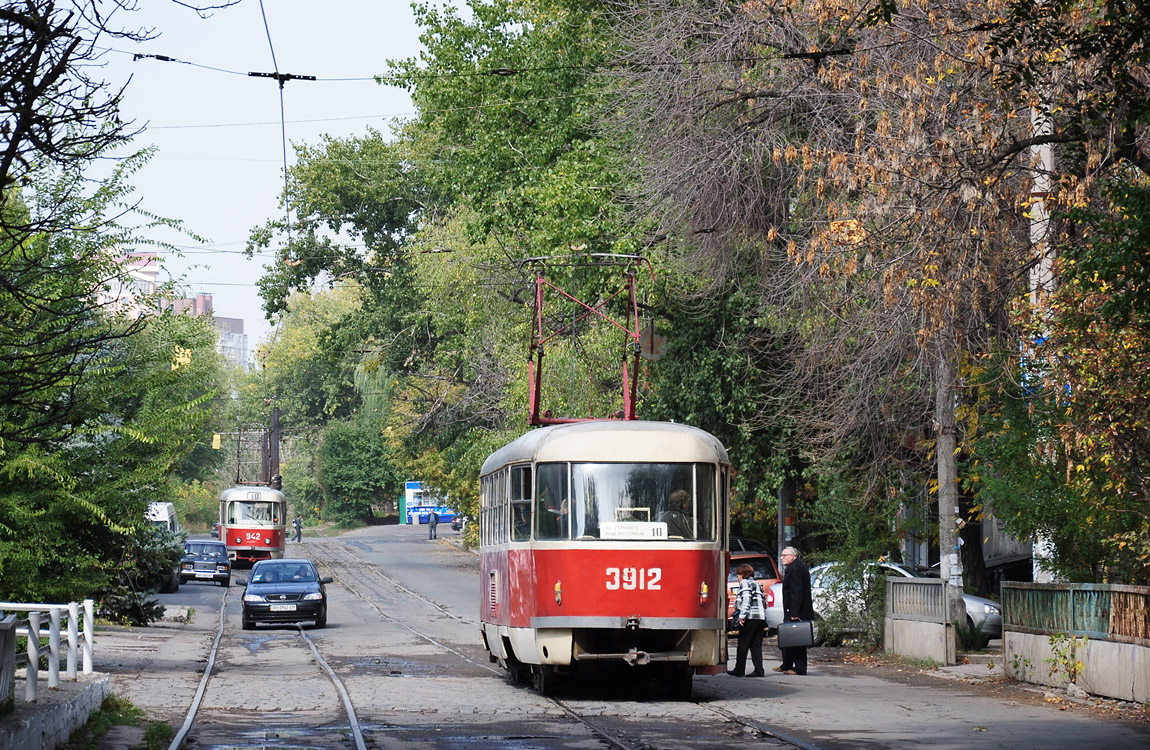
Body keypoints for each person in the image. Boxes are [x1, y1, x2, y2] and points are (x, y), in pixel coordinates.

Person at [776, 546, 814, 676]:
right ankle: (786, 664)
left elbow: (797, 592)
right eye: (781, 555)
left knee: (797, 639)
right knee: (788, 636)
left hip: (797, 611)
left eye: (784, 555)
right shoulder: (793, 567)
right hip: (792, 609)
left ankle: (799, 668)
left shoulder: (796, 568)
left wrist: (795, 613)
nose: (782, 558)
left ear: (792, 556)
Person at [728, 562, 768, 677]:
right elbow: (763, 602)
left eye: (738, 575)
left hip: (750, 617)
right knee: (756, 645)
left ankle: (739, 670)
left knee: (743, 644)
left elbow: (746, 600)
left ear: (743, 574)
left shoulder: (745, 583)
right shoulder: (757, 584)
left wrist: (742, 616)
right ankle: (759, 670)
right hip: (760, 618)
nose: (738, 578)